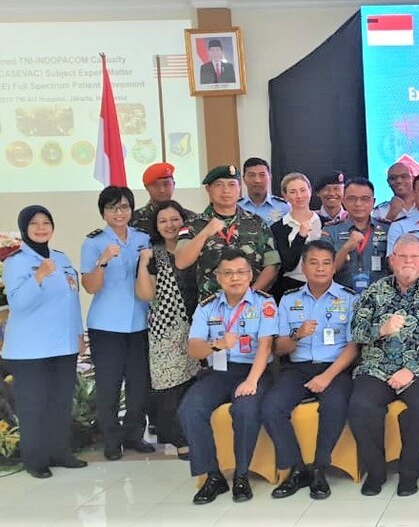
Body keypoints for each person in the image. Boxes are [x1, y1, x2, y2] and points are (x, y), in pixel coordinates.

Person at [347, 235, 419, 497]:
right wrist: (379, 329)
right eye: (402, 257)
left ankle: (409, 471)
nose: (408, 262)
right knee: (360, 406)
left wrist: (411, 370)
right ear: (391, 260)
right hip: (377, 367)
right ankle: (376, 471)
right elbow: (356, 332)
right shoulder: (374, 291)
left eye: (414, 257)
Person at [180, 249, 277, 504]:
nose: (236, 278)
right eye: (229, 273)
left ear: (250, 275)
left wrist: (251, 381)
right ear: (218, 277)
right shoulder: (207, 307)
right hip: (219, 371)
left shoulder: (265, 303)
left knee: (245, 410)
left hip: (254, 371)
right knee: (190, 409)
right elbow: (193, 349)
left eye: (241, 272)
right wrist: (217, 345)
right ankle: (213, 476)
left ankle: (241, 475)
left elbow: (265, 346)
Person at [263, 240, 358, 500]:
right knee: (271, 407)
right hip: (298, 367)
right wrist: (296, 334)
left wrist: (327, 376)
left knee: (335, 405)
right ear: (303, 268)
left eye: (326, 263)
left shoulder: (349, 299)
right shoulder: (288, 300)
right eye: (313, 263)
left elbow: (353, 346)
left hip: (335, 367)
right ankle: (296, 468)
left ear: (334, 267)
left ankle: (319, 468)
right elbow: (279, 347)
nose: (320, 268)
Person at [2, 206, 87, 478]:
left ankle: (60, 452)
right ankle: (35, 459)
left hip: (63, 344)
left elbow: (71, 300)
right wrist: (38, 276)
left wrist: (78, 334)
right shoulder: (15, 262)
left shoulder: (61, 258)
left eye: (46, 222)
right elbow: (18, 303)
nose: (41, 228)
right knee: (34, 404)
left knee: (60, 401)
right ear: (25, 228)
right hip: (31, 348)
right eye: (34, 223)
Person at [81, 185, 155, 460]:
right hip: (107, 325)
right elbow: (89, 286)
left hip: (139, 322)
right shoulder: (94, 242)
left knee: (138, 384)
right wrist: (102, 261)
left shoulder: (142, 238)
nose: (119, 212)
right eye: (113, 207)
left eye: (124, 206)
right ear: (103, 212)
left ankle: (134, 435)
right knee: (109, 384)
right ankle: (111, 440)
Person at [135, 201, 202, 460]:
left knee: (195, 381)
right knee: (170, 385)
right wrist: (143, 264)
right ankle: (178, 438)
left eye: (174, 219)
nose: (170, 225)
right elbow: (145, 294)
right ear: (156, 226)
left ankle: (197, 433)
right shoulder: (153, 254)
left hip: (199, 321)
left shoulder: (195, 246)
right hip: (167, 326)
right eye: (163, 221)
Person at [175, 165, 281, 298]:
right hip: (211, 307)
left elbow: (272, 264)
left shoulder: (257, 223)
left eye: (231, 184)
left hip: (251, 305)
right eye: (219, 185)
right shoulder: (193, 224)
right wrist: (205, 232)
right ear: (208, 189)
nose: (226, 190)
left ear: (239, 188)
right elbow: (181, 261)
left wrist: (251, 295)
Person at [324, 178, 392, 293]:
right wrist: (346, 247)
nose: (358, 204)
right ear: (344, 201)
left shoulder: (388, 229)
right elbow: (326, 271)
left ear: (373, 202)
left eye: (365, 199)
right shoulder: (331, 230)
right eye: (352, 199)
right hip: (342, 298)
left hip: (380, 297)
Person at [269, 173, 324, 300]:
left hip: (323, 286)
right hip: (291, 288)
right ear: (285, 196)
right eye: (293, 192)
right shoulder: (278, 227)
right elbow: (288, 264)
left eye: (303, 190)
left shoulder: (325, 223)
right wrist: (301, 236)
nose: (299, 196)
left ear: (310, 191)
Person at [131, 162, 195, 234]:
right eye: (156, 185)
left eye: (166, 184)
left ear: (173, 185)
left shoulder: (190, 217)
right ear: (146, 187)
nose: (162, 190)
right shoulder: (133, 220)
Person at [238, 157, 291, 226]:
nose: (257, 180)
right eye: (252, 175)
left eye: (262, 175)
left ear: (270, 178)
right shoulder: (236, 207)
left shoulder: (284, 207)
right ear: (244, 179)